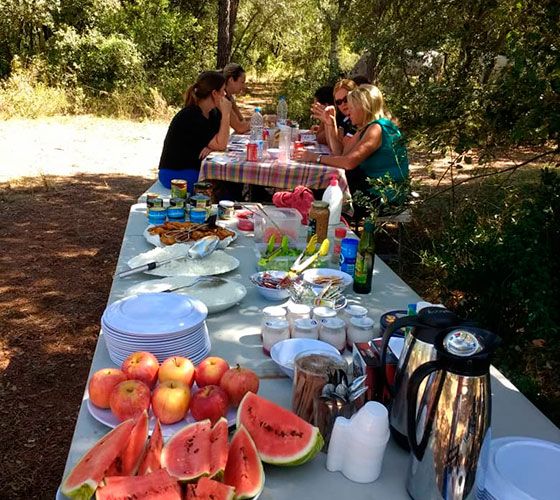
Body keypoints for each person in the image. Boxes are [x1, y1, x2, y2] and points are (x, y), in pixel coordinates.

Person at [295, 84, 409, 209]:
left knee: (320, 195)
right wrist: (329, 124)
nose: (347, 112)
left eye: (351, 107)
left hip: (384, 196)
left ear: (364, 108)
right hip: (371, 187)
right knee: (318, 190)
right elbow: (341, 155)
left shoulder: (377, 128)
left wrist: (315, 157)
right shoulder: (365, 127)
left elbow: (349, 163)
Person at [158, 70, 232, 193]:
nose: (225, 94)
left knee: (229, 182)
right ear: (214, 93)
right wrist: (226, 113)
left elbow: (220, 141)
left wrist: (212, 147)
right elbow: (221, 144)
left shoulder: (212, 113)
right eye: (223, 91)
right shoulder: (191, 115)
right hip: (175, 173)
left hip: (195, 168)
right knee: (220, 186)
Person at [311, 79, 358, 155]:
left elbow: (341, 154)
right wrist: (328, 123)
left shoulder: (362, 121)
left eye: (346, 99)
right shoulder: (346, 120)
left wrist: (316, 158)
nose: (343, 104)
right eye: (338, 102)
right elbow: (336, 149)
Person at [222, 63, 250, 134]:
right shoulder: (221, 98)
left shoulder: (229, 96)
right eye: (242, 82)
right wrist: (262, 120)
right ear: (231, 80)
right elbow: (240, 128)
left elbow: (241, 120)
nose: (244, 86)